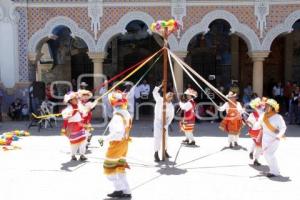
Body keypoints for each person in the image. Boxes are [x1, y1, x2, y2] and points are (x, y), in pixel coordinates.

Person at [99, 90, 132, 199]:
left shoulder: (118, 116)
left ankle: (119, 189)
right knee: (119, 168)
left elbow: (117, 133)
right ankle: (126, 191)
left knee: (109, 170)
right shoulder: (126, 114)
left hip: (116, 145)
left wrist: (105, 139)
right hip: (124, 144)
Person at [259, 99, 287, 177]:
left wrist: (279, 135)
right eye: (266, 105)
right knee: (266, 155)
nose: (266, 106)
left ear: (272, 107)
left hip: (274, 139)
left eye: (268, 105)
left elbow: (283, 127)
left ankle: (275, 172)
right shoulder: (263, 115)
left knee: (270, 154)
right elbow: (258, 123)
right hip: (265, 139)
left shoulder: (278, 117)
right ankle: (273, 170)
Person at [61, 91, 88, 161]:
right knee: (74, 143)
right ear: (70, 101)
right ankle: (73, 155)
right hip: (72, 127)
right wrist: (67, 115)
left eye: (76, 98)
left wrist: (85, 111)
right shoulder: (68, 109)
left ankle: (82, 154)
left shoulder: (79, 106)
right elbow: (64, 116)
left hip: (79, 125)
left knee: (84, 140)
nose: (76, 100)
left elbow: (84, 112)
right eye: (74, 99)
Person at [152, 84, 174, 162]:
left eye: (171, 98)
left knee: (165, 138)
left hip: (165, 123)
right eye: (168, 97)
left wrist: (167, 125)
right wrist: (161, 85)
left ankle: (165, 151)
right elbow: (154, 92)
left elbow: (171, 117)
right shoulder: (159, 99)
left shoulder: (171, 106)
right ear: (165, 96)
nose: (169, 99)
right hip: (158, 121)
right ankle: (156, 153)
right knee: (157, 137)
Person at [247, 98, 263, 166]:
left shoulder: (263, 113)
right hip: (255, 131)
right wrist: (254, 123)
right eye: (258, 106)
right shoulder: (252, 114)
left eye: (260, 106)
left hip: (261, 131)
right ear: (254, 106)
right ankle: (256, 159)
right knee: (259, 145)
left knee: (256, 143)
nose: (259, 107)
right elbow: (249, 123)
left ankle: (251, 152)